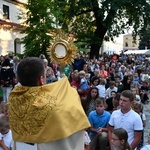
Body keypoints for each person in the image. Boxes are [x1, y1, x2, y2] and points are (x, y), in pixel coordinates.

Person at [8, 57, 90, 150]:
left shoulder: (13, 97)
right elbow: (76, 129)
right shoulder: (58, 103)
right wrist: (70, 92)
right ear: (41, 79)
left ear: (18, 77)